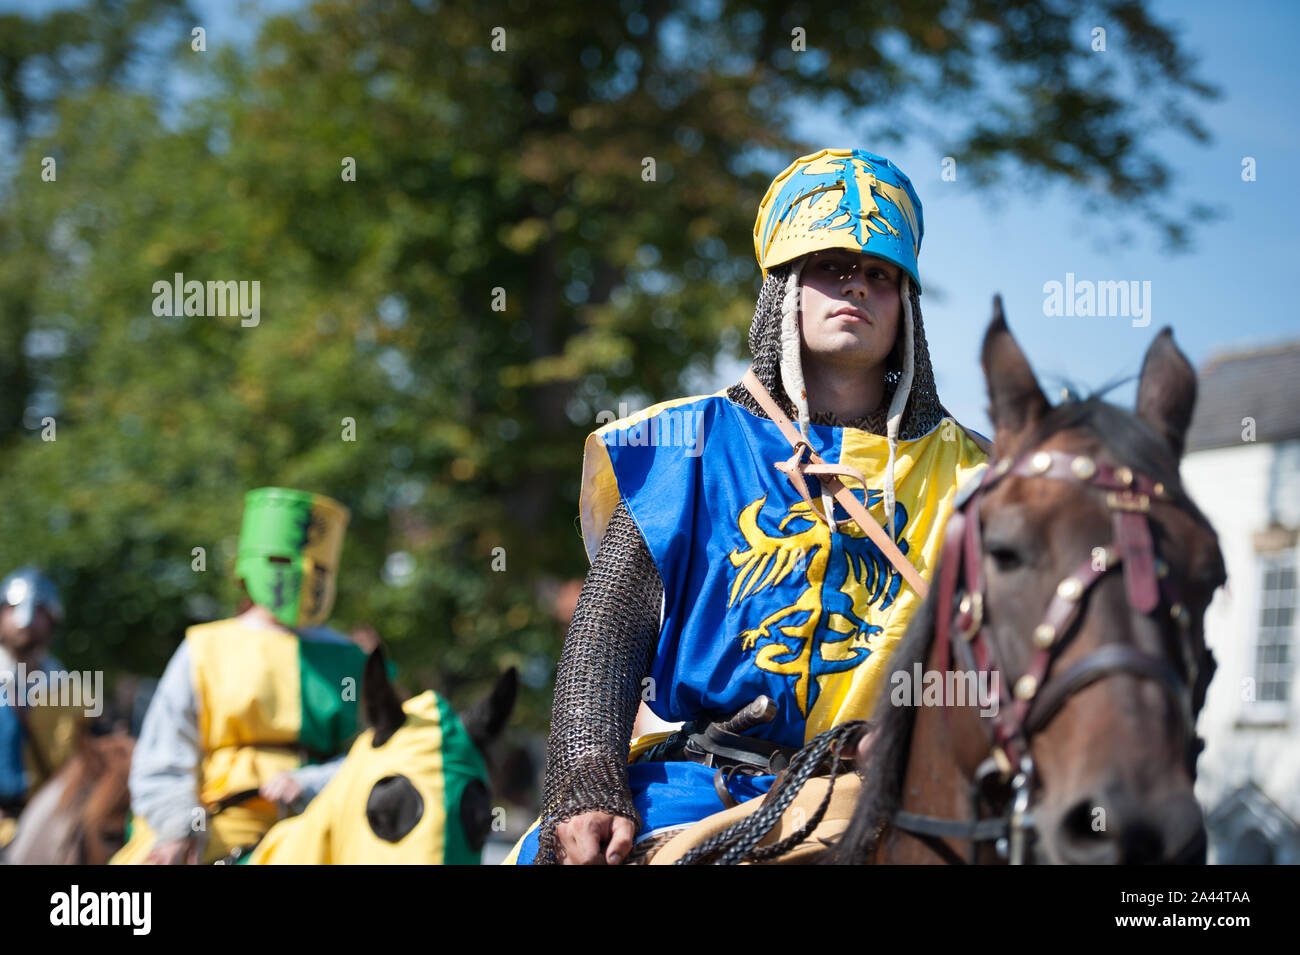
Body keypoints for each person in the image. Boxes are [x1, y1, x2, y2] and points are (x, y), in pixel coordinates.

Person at [507, 147, 991, 865]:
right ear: (785, 289)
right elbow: (609, 636)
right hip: (697, 784)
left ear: (906, 305)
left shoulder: (978, 475)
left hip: (887, 787)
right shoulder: (681, 444)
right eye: (832, 266)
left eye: (881, 274)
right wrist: (586, 784)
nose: (856, 286)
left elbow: (1002, 644)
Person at [111, 487, 368, 864]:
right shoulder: (205, 647)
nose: (301, 573)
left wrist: (312, 783)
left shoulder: (350, 659)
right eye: (282, 559)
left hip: (328, 817)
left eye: (320, 567)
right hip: (219, 819)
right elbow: (165, 753)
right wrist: (180, 825)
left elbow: (371, 752)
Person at [0, 567, 86, 847]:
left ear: (52, 619)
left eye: (39, 610)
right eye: (13, 608)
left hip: (49, 824)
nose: (25, 619)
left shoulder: (70, 690)